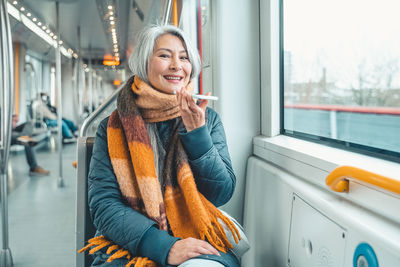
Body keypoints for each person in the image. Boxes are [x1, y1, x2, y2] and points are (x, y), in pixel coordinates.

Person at [79, 25, 240, 267]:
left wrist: (197, 134)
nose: (177, 65)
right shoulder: (112, 128)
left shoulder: (206, 119)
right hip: (128, 245)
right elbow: (104, 205)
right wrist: (164, 246)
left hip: (194, 235)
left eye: (184, 57)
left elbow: (221, 193)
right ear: (144, 63)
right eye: (165, 55)